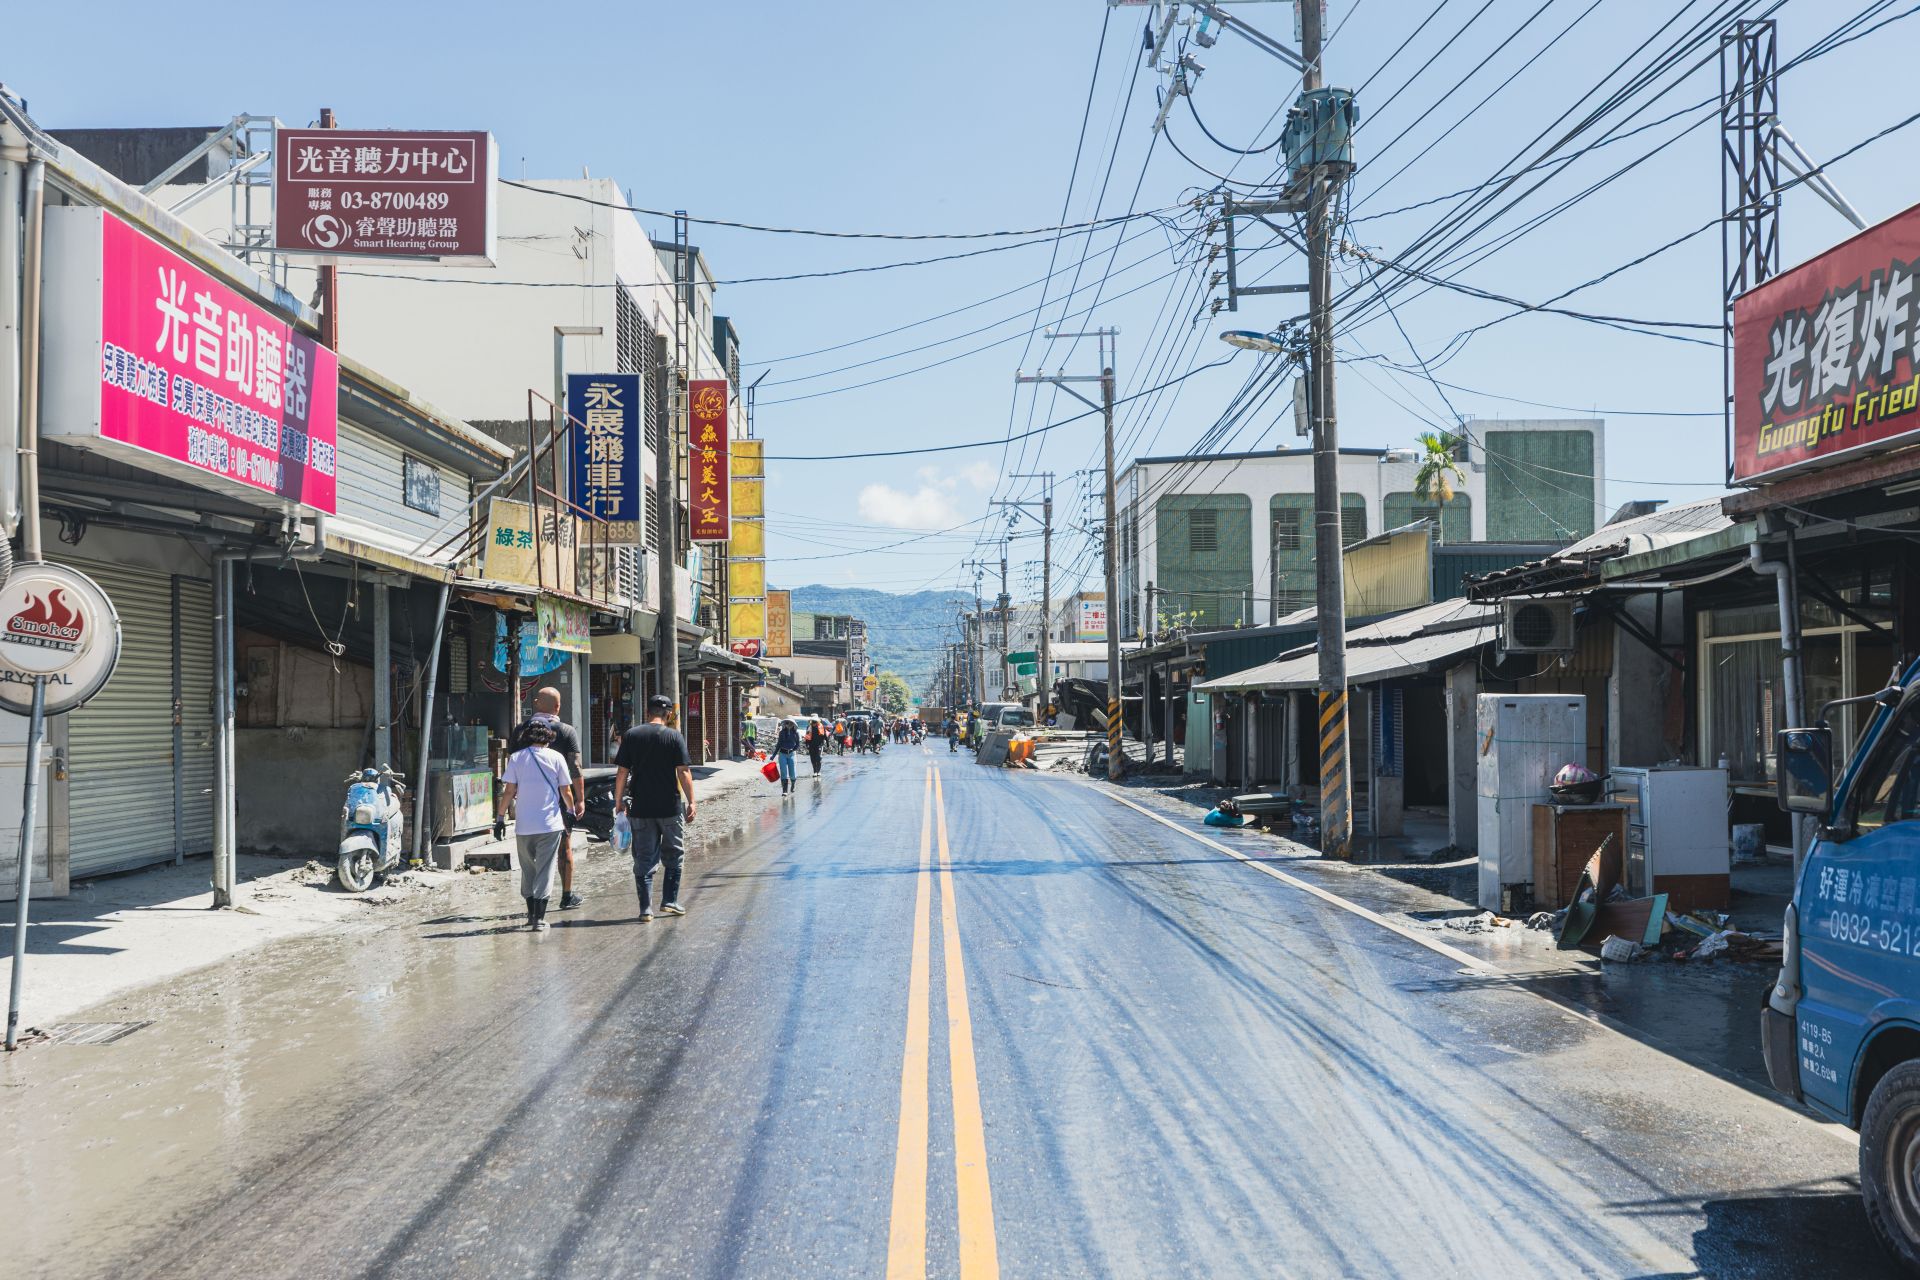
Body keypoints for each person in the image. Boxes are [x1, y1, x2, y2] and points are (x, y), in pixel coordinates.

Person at [613, 694, 697, 923]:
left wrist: (618, 801)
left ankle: (645, 909)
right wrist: (692, 801)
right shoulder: (673, 736)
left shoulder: (632, 735)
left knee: (644, 857)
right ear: (668, 714)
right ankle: (669, 900)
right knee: (674, 853)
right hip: (669, 807)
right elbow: (683, 771)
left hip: (641, 807)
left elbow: (622, 772)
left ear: (647, 711)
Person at [510, 687, 585, 910]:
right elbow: (576, 768)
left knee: (529, 854)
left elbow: (512, 764)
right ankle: (566, 895)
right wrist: (580, 800)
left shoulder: (520, 731)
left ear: (535, 703)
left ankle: (533, 899)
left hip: (527, 801)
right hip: (558, 801)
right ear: (558, 706)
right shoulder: (566, 731)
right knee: (565, 847)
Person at [499, 716, 573, 932]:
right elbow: (565, 791)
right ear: (549, 735)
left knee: (528, 869)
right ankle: (539, 919)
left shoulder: (516, 758)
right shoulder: (556, 757)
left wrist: (500, 818)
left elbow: (509, 791)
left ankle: (531, 915)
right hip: (550, 824)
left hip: (523, 825)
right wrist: (570, 810)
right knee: (545, 869)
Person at [773, 716, 800, 794]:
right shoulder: (782, 733)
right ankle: (784, 791)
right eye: (787, 723)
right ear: (785, 724)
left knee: (793, 773)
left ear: (793, 724)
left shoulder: (796, 733)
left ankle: (793, 783)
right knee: (784, 772)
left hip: (792, 754)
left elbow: (798, 744)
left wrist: (793, 750)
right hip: (782, 754)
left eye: (790, 723)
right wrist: (774, 755)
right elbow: (779, 744)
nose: (788, 724)